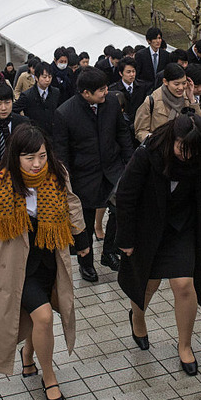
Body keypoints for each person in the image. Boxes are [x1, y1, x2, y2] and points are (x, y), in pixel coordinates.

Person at [0, 124, 90, 400]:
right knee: (44, 317)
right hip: (17, 268)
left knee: (43, 316)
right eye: (29, 157)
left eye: (41, 156)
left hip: (50, 259)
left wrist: (83, 241)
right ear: (16, 157)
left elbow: (72, 205)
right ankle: (49, 377)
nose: (37, 163)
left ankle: (30, 354)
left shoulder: (57, 174)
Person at [116, 113, 201, 375]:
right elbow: (126, 195)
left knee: (184, 284)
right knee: (147, 285)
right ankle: (138, 318)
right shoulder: (148, 153)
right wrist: (126, 239)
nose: (187, 155)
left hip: (183, 228)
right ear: (173, 139)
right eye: (182, 148)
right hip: (149, 229)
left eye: (192, 150)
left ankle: (185, 345)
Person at [53, 67, 134, 282]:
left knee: (120, 211)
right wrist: (66, 181)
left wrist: (129, 163)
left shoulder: (111, 104)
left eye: (106, 87)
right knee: (85, 223)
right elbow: (61, 152)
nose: (106, 92)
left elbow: (122, 133)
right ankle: (85, 263)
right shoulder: (65, 113)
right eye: (101, 90)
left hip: (113, 169)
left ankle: (109, 252)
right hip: (84, 176)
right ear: (85, 93)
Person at [133, 63, 201, 143]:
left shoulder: (187, 99)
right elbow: (140, 131)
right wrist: (154, 140)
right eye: (176, 84)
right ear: (165, 82)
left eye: (184, 83)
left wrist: (192, 100)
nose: (181, 88)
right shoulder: (152, 101)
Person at [12, 63, 60, 137]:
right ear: (36, 78)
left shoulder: (55, 92)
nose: (47, 80)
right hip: (34, 135)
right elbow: (14, 110)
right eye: (44, 77)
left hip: (52, 134)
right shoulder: (27, 95)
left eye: (50, 77)